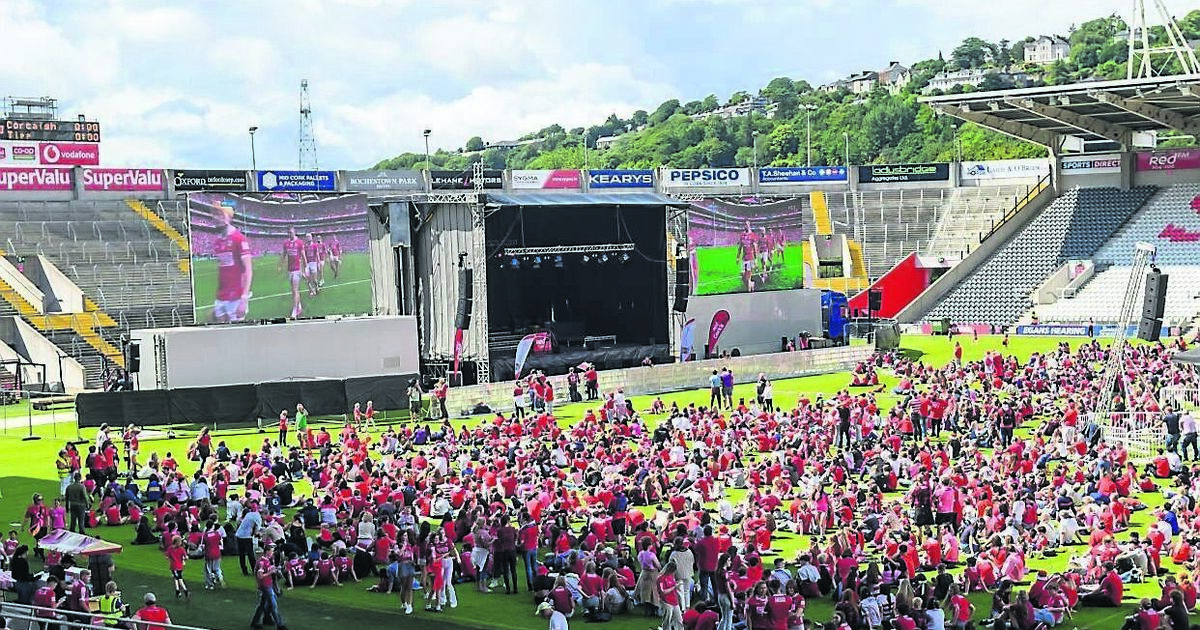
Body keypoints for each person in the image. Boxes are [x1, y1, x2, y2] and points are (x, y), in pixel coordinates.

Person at [211, 204, 253, 323]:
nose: (217, 218)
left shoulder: (239, 239)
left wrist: (244, 299)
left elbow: (248, 270)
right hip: (221, 296)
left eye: (220, 214)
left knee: (236, 337)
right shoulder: (217, 242)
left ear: (229, 217)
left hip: (236, 298)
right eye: (215, 215)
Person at [250, 556, 287, 630]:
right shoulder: (262, 562)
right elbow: (259, 575)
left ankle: (258, 621)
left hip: (269, 585)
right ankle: (280, 625)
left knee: (263, 604)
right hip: (266, 586)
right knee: (273, 605)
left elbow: (274, 576)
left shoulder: (268, 561)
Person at [280, 226, 307, 318]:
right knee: (294, 290)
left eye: (291, 232)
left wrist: (305, 269)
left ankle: (294, 311)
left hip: (297, 269)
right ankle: (299, 306)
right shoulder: (286, 243)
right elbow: (284, 254)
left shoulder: (299, 242)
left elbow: (303, 256)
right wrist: (281, 264)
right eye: (288, 233)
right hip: (290, 270)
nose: (289, 234)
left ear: (294, 232)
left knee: (295, 290)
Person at [235, 504, 262, 576]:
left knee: (242, 554)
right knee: (250, 554)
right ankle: (254, 570)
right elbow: (257, 530)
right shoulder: (257, 516)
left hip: (239, 534)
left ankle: (244, 571)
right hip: (247, 536)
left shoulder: (248, 514)